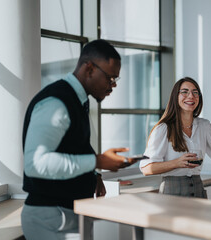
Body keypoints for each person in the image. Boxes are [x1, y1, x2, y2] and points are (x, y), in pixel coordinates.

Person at [21, 39, 137, 240]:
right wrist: (97, 161)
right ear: (89, 68)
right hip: (52, 218)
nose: (112, 86)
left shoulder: (77, 101)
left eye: (115, 80)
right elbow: (36, 164)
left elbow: (72, 145)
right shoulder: (56, 103)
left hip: (66, 214)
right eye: (110, 78)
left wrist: (94, 175)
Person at [139, 77, 211, 198]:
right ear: (176, 96)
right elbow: (146, 168)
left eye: (195, 92)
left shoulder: (204, 126)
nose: (191, 96)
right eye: (184, 92)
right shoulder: (163, 128)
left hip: (198, 189)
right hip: (172, 193)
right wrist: (177, 163)